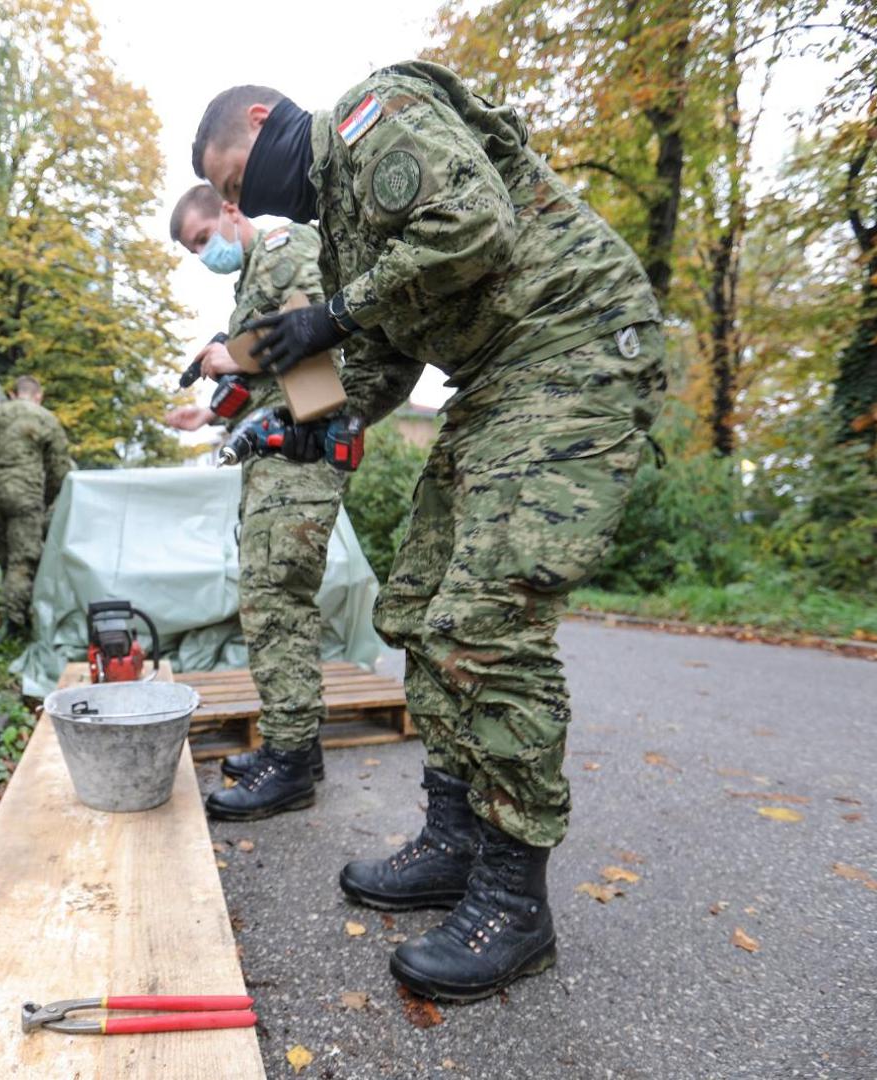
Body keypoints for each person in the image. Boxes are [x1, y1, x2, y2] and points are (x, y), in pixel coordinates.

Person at [189, 63, 667, 1002]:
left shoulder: (377, 118)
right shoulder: (341, 235)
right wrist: (305, 415)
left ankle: (513, 899)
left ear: (260, 118)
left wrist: (337, 311)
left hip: (571, 343)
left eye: (236, 182)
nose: (245, 199)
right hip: (494, 382)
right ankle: (454, 838)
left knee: (486, 620)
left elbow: (474, 225)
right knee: (414, 605)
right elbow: (381, 363)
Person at [163, 183, 341, 822]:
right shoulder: (251, 279)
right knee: (275, 596)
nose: (201, 254)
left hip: (302, 452)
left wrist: (227, 353)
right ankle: (299, 747)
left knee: (274, 599)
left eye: (202, 239)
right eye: (192, 249)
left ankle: (290, 763)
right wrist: (209, 413)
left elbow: (313, 326)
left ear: (231, 212)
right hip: (277, 451)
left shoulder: (282, 246)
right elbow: (266, 379)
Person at [0, 375, 72, 642]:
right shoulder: (46, 418)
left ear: (12, 393)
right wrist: (50, 497)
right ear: (38, 396)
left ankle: (11, 614)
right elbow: (59, 467)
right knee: (23, 561)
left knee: (5, 558)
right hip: (25, 495)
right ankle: (14, 624)